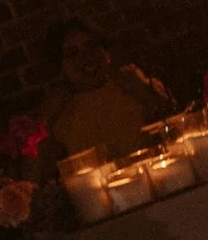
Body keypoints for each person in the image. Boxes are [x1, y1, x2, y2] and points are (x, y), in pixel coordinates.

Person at [40, 19, 174, 158]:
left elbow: (177, 125)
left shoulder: (133, 83)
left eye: (91, 46)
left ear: (106, 52)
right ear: (61, 66)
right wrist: (44, 122)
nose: (86, 56)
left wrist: (146, 88)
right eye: (72, 53)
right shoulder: (59, 110)